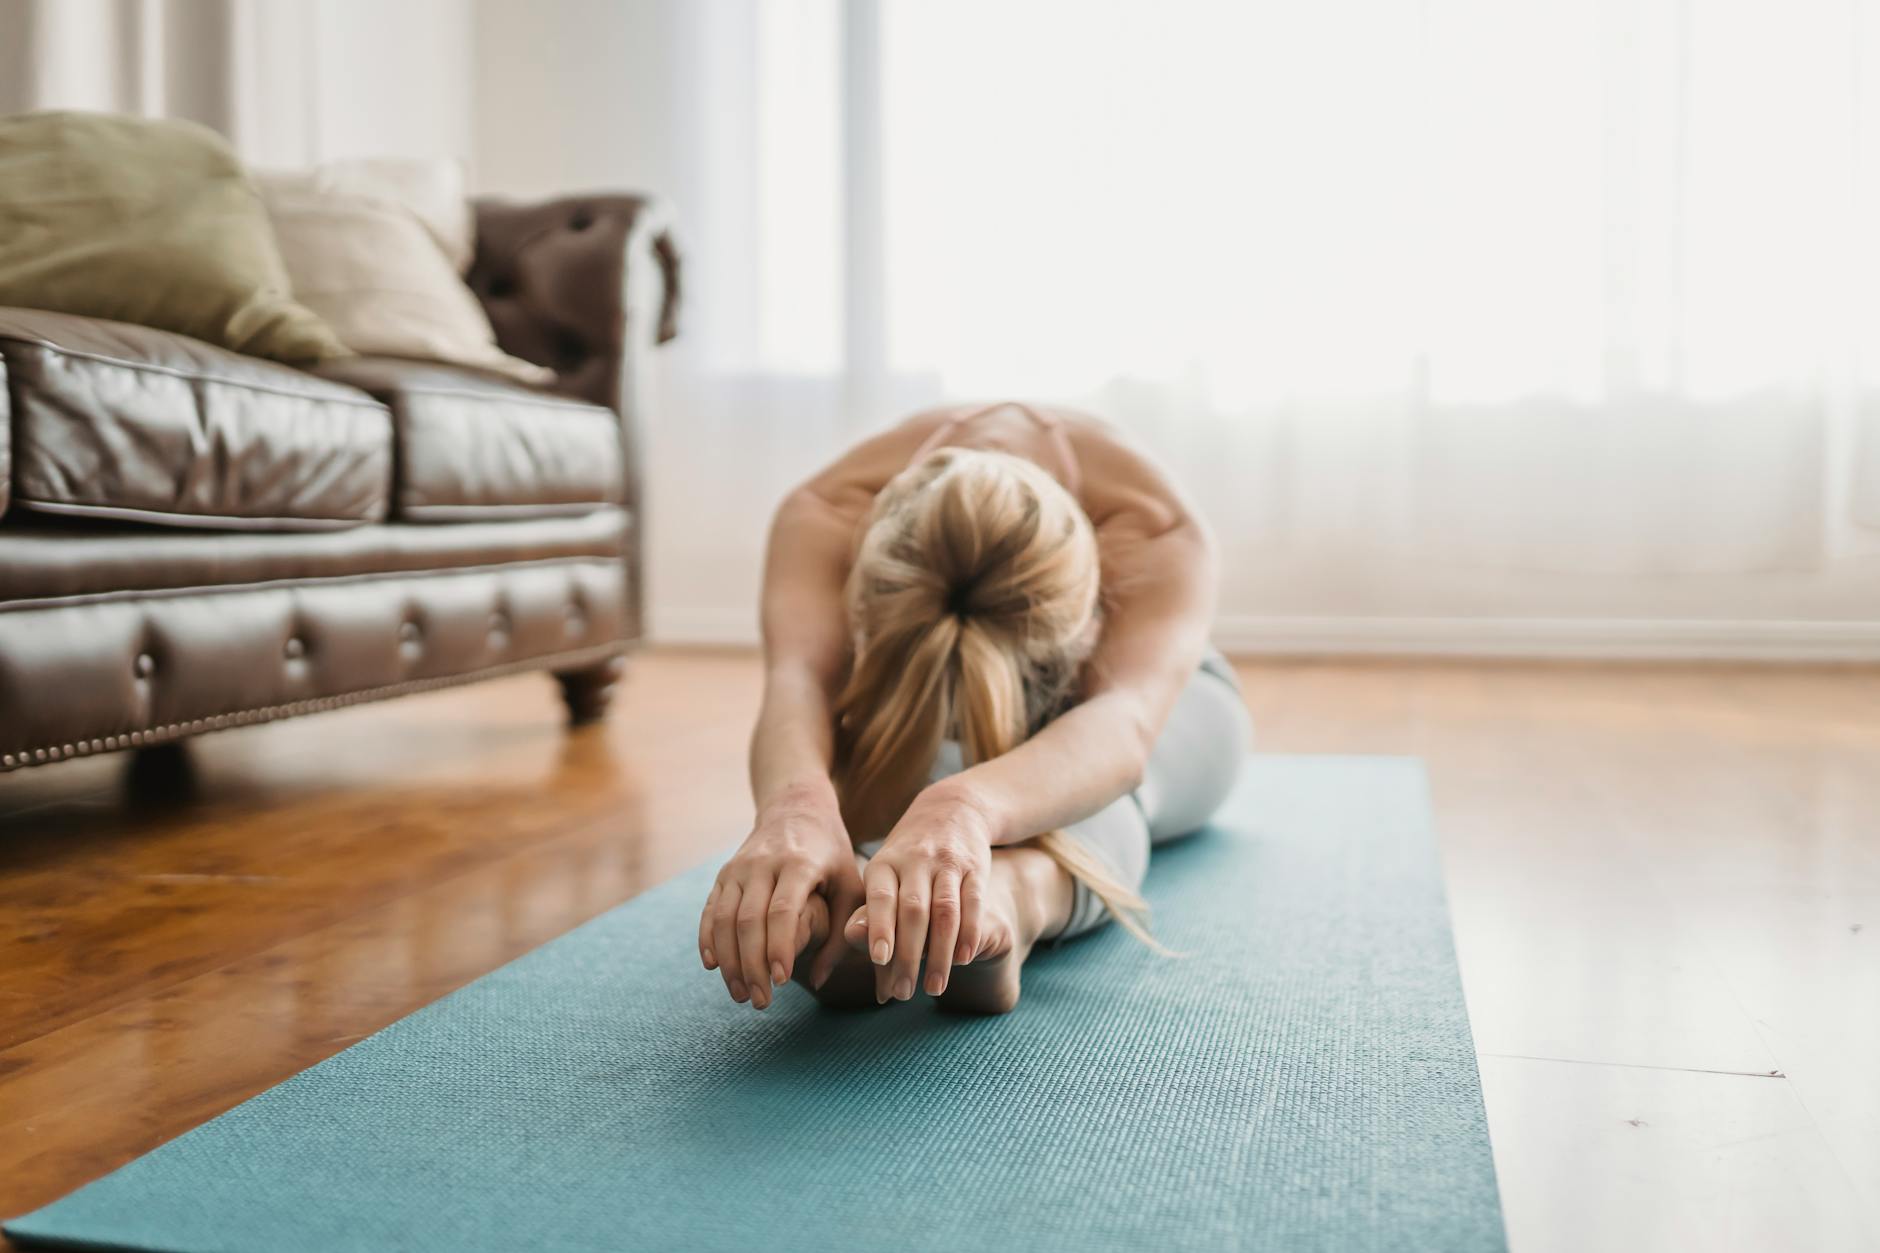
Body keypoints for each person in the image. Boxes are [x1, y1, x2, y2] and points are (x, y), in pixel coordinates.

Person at [697, 401, 1251, 1014]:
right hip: (911, 702)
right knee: (922, 777)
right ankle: (866, 904)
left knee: (1106, 792)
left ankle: (1016, 897)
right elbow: (799, 680)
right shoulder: (827, 513)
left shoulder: (1152, 526)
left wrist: (963, 807)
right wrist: (793, 811)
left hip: (1148, 706)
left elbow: (1124, 723)